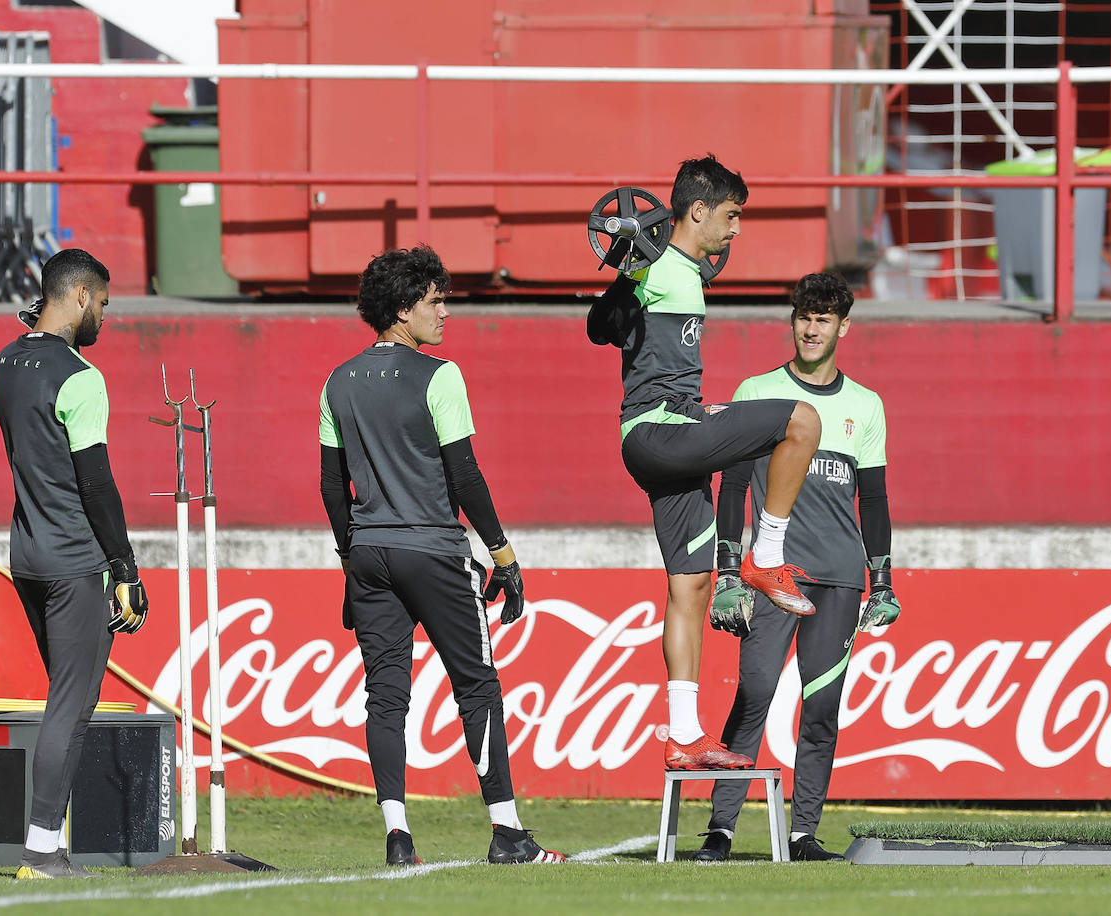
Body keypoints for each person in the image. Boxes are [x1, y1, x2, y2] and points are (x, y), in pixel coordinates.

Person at [319, 246, 565, 867]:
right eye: (435, 299)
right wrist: (503, 555)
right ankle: (507, 833)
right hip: (432, 547)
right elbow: (465, 476)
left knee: (386, 694)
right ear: (403, 309)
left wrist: (352, 554)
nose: (445, 311)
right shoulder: (440, 375)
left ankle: (398, 837)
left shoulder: (338, 380)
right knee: (477, 684)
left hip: (369, 552)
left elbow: (330, 484)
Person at [587, 155, 823, 770]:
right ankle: (766, 558)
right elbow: (599, 326)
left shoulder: (687, 271)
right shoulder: (656, 263)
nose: (736, 230)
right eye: (731, 215)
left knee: (688, 588)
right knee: (801, 419)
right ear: (697, 210)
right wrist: (625, 271)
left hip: (668, 438)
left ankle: (684, 736)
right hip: (657, 430)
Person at [693, 273, 900, 863]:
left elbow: (876, 502)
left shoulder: (868, 405)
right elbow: (730, 487)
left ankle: (805, 833)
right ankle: (721, 829)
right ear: (793, 321)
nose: (812, 329)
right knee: (754, 692)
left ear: (843, 327)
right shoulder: (757, 391)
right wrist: (728, 572)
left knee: (822, 708)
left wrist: (882, 578)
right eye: (804, 317)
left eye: (824, 319)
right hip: (770, 576)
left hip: (839, 578)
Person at [0, 248, 149, 879]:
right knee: (70, 704)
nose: (106, 317)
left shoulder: (5, 362)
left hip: (26, 555)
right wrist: (126, 568)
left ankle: (50, 846)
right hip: (74, 560)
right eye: (104, 303)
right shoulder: (80, 377)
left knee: (70, 701)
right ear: (80, 296)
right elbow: (96, 485)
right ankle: (38, 850)